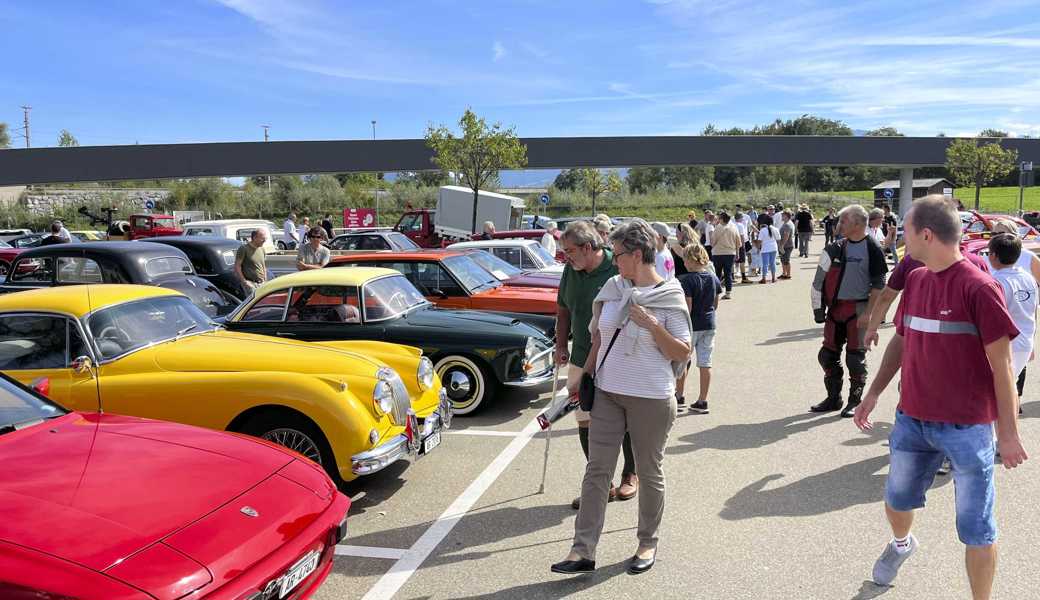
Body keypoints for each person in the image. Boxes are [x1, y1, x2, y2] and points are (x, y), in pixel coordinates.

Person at [853, 196, 1027, 596]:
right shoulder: (916, 279)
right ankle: (902, 544)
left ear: (926, 235)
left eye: (907, 232)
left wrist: (1008, 432)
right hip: (912, 419)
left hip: (967, 428)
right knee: (897, 501)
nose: (901, 239)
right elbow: (902, 339)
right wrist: (873, 392)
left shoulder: (980, 288)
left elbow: (1002, 367)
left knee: (977, 528)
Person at [552, 219, 692, 577]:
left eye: (617, 255)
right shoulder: (613, 288)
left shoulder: (670, 294)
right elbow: (599, 338)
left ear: (636, 254)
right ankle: (582, 550)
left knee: (648, 471)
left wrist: (652, 325)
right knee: (597, 470)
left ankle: (647, 542)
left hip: (651, 398)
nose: (613, 262)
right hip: (608, 393)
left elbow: (681, 352)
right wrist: (582, 376)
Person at [555, 221, 637, 510]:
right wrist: (561, 344)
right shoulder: (570, 271)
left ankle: (631, 473)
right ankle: (603, 483)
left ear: (588, 247)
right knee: (584, 417)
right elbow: (563, 309)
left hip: (617, 356)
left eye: (569, 251)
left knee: (624, 418)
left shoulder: (618, 267)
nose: (566, 256)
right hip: (581, 355)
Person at [810, 204, 888, 417]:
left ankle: (855, 401)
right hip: (836, 310)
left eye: (843, 221)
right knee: (827, 355)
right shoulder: (834, 248)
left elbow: (880, 283)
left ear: (856, 223)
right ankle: (833, 398)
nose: (839, 224)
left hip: (859, 309)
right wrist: (818, 309)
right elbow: (818, 281)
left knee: (855, 357)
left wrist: (869, 313)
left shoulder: (872, 246)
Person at [987, 233, 1037, 405]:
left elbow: (994, 319)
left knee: (996, 391)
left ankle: (999, 430)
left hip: (1006, 346)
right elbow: (1033, 312)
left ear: (993, 256)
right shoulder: (1029, 278)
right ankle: (1009, 427)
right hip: (1025, 342)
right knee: (1010, 387)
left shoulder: (995, 282)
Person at [678, 243, 722, 413]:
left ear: (689, 260)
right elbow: (715, 303)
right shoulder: (712, 277)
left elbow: (687, 307)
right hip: (709, 323)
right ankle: (703, 400)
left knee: (683, 361)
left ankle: (679, 396)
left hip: (691, 326)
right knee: (705, 363)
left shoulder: (686, 280)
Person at [709, 211, 741, 300]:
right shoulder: (734, 227)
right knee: (728, 273)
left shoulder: (717, 228)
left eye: (719, 218)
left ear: (722, 219)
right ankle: (728, 292)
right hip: (730, 253)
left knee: (717, 273)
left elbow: (712, 243)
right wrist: (737, 253)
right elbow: (738, 242)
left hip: (718, 253)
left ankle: (716, 293)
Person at [757, 218, 779, 284]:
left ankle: (764, 279)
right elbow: (778, 238)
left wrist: (758, 248)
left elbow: (759, 240)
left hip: (765, 248)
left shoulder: (763, 230)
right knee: (773, 263)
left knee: (765, 264)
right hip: (773, 248)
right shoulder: (775, 229)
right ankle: (773, 278)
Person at [734, 210, 750, 284]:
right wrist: (743, 246)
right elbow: (742, 236)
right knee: (742, 262)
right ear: (740, 218)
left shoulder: (732, 224)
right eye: (742, 217)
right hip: (740, 245)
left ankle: (732, 277)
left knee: (733, 261)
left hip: (733, 245)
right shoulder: (740, 225)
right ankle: (743, 277)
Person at [778, 210, 795, 280]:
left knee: (786, 260)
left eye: (783, 215)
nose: (781, 216)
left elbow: (786, 236)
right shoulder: (786, 223)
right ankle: (784, 273)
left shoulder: (788, 224)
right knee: (783, 260)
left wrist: (781, 245)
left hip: (787, 246)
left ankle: (788, 275)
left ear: (786, 216)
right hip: (785, 245)